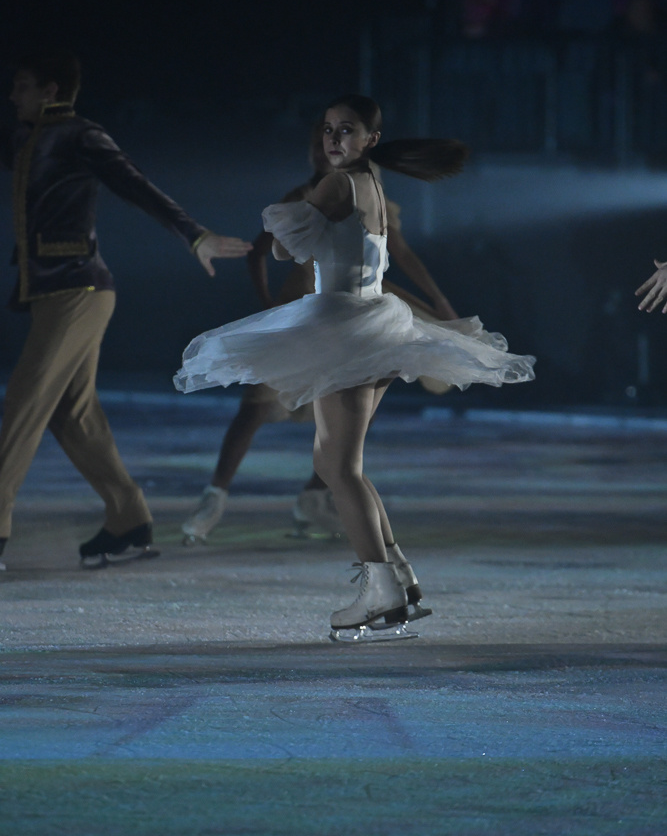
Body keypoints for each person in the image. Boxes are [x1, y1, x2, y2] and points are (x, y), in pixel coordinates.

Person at [174, 94, 535, 639]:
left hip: (344, 328)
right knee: (335, 461)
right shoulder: (372, 184)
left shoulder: (337, 184)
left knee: (338, 468)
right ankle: (399, 577)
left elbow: (281, 249)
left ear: (370, 139)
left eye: (346, 131)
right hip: (372, 323)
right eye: (327, 130)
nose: (333, 140)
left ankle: (382, 589)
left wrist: (304, 220)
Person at [0, 49, 252, 571]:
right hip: (53, 292)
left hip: (80, 291)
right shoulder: (25, 139)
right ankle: (128, 519)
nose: (11, 96)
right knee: (71, 415)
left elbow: (134, 184)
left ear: (50, 91)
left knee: (23, 406)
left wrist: (194, 234)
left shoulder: (81, 136)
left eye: (21, 87)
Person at [181, 141, 459, 545]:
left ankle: (316, 497)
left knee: (351, 418)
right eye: (320, 138)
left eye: (340, 133)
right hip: (309, 312)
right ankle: (216, 495)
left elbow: (397, 252)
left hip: (353, 315)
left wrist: (439, 301)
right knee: (257, 407)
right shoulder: (310, 194)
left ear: (367, 140)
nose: (324, 148)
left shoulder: (372, 190)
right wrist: (270, 309)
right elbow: (263, 251)